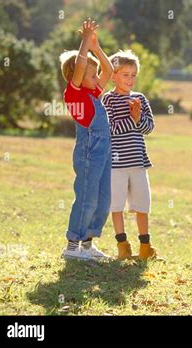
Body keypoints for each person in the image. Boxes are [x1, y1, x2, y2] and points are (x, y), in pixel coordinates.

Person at [59, 18, 113, 261]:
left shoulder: (93, 91)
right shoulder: (75, 93)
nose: (97, 77)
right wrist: (83, 44)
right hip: (89, 149)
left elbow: (109, 70)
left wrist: (95, 47)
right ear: (77, 77)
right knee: (87, 196)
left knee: (103, 197)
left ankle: (87, 244)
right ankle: (72, 245)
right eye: (92, 75)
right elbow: (80, 67)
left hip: (103, 150)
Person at [102, 50, 157, 261]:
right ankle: (122, 245)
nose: (130, 79)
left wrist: (138, 117)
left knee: (142, 204)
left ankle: (145, 247)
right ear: (113, 76)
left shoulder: (140, 98)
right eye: (125, 74)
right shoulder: (108, 100)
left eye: (133, 74)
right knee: (116, 205)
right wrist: (132, 118)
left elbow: (149, 127)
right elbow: (111, 129)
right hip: (116, 164)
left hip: (138, 162)